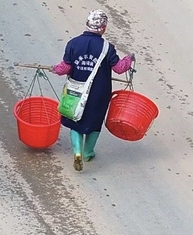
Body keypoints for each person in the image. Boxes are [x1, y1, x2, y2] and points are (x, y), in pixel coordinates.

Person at [51, 11, 134, 171]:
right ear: (103, 28)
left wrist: (55, 69)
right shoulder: (107, 48)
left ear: (87, 25)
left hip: (76, 90)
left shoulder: (73, 43)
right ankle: (88, 152)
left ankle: (77, 153)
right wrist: (129, 59)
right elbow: (119, 68)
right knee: (94, 123)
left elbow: (65, 67)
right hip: (99, 93)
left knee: (76, 120)